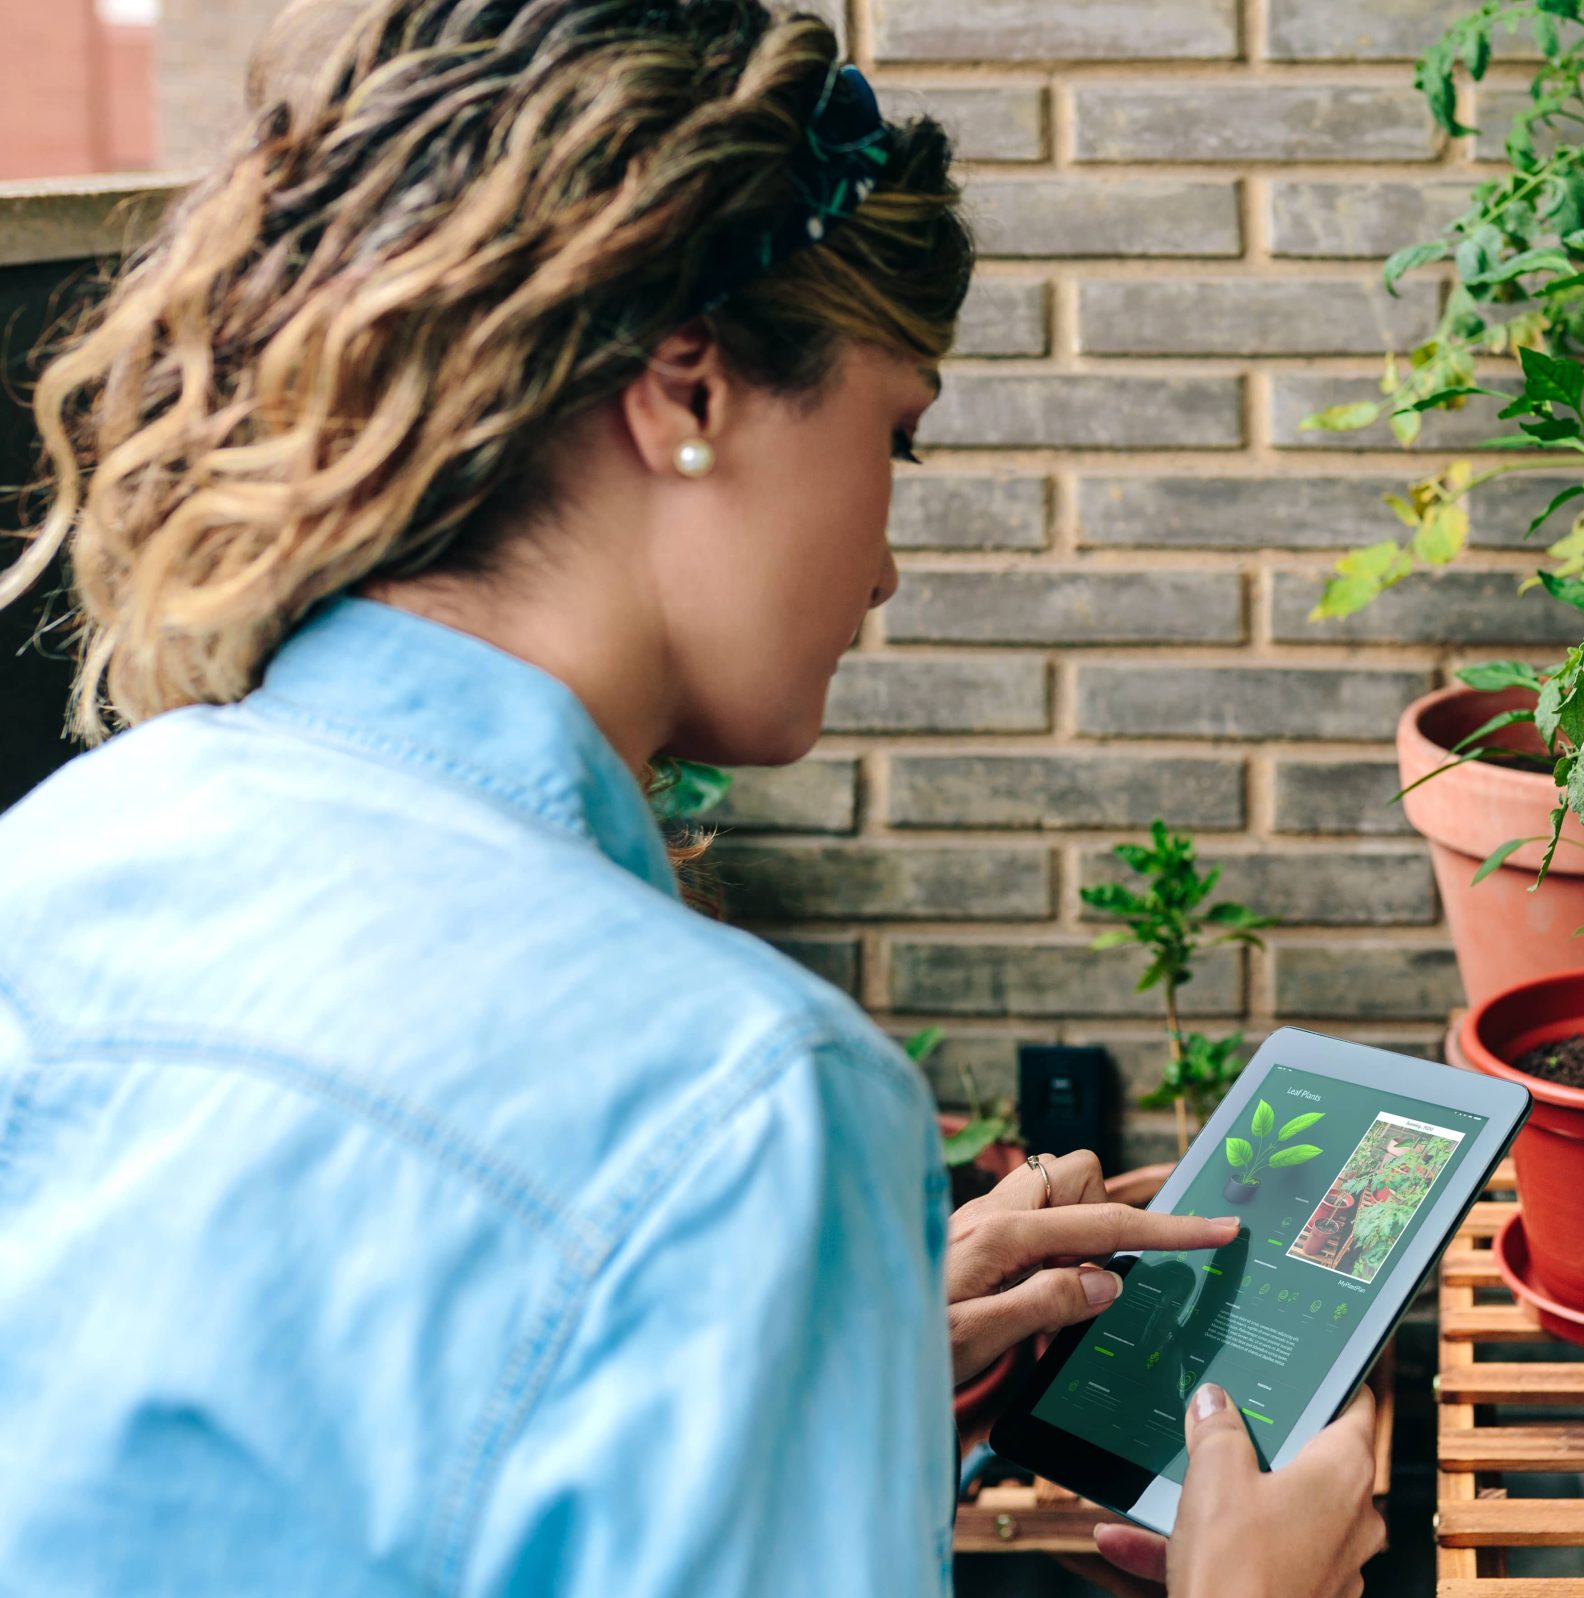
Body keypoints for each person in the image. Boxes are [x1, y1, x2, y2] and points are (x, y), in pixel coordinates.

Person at [0, 2, 1385, 1594]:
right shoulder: (742, 1114)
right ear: (688, 389)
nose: (880, 566)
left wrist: (809, 1372)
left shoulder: (49, 863)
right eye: (898, 438)